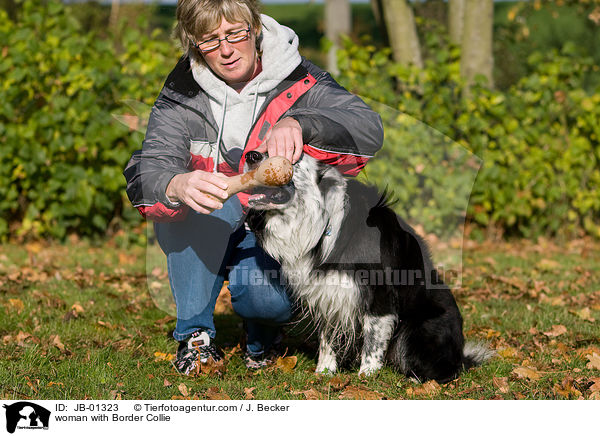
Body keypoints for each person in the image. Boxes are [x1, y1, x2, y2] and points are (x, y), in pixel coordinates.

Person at [123, 0, 383, 375]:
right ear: (194, 44)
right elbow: (151, 166)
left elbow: (368, 128)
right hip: (206, 220)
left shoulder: (299, 76)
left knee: (265, 299)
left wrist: (301, 123)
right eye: (210, 41)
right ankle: (195, 338)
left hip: (272, 223)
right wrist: (176, 183)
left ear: (255, 28)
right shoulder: (181, 91)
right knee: (199, 207)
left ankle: (263, 337)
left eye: (234, 34)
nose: (226, 50)